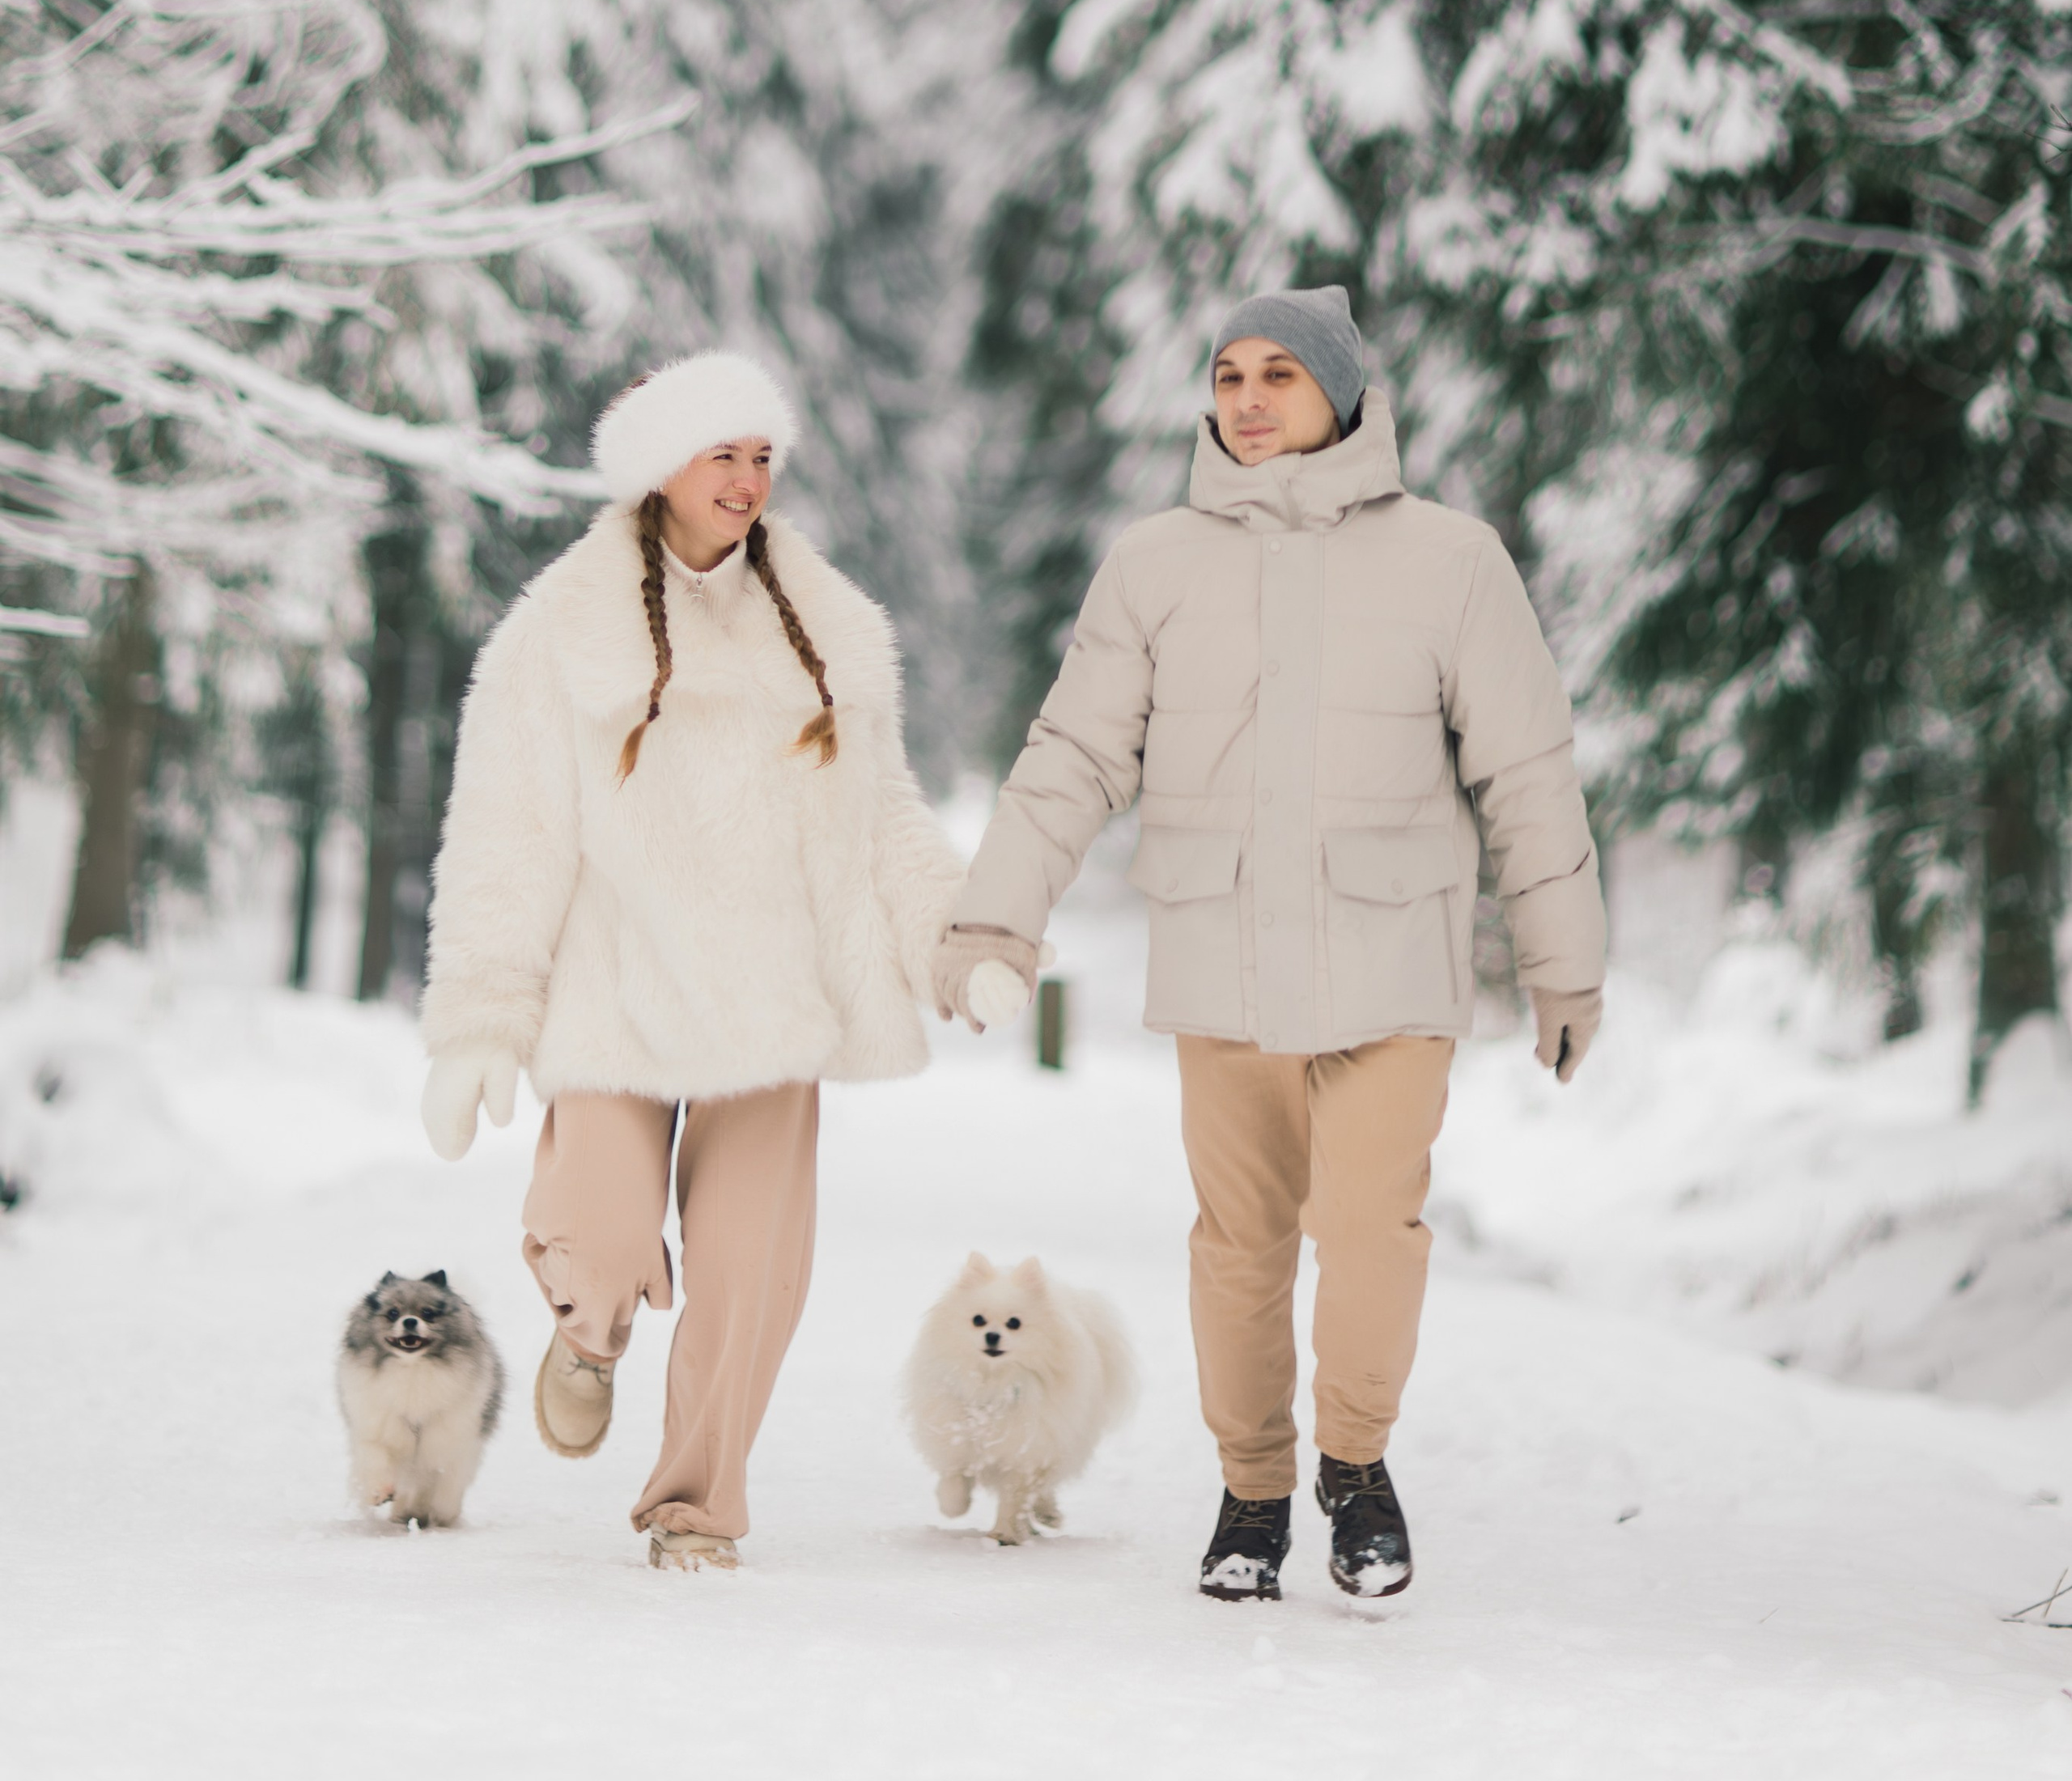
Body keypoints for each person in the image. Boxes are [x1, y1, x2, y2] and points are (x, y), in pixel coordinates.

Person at [935, 286, 1605, 1605]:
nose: (1247, 397)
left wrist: (1561, 959)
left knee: (1369, 1232)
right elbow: (1073, 753)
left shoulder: (1454, 562)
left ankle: (1354, 1471)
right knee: (1239, 1244)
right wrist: (995, 915)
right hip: (1221, 952)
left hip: (1392, 957)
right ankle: (1252, 1491)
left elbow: (1526, 769)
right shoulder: (1156, 563)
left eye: (1280, 375)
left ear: (1343, 396)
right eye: (1229, 373)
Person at [417, 350, 963, 1571]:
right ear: (661, 467)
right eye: (725, 454)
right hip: (616, 988)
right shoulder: (559, 631)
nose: (748, 479)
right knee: (601, 1233)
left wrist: (953, 939)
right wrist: (477, 1022)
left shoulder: (828, 627)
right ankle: (590, 1331)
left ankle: (693, 1506)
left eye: (763, 457)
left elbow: (888, 814)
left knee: (745, 1280)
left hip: (775, 1003)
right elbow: (505, 830)